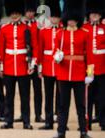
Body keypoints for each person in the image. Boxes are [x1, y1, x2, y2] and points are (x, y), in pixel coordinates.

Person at [51, 0, 93, 138]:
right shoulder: (59, 34)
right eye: (69, 19)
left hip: (79, 74)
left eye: (74, 20)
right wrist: (57, 56)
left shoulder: (84, 34)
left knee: (81, 105)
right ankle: (61, 131)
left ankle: (83, 131)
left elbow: (89, 56)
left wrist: (90, 74)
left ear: (78, 20)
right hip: (63, 73)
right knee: (63, 105)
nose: (71, 22)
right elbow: (55, 52)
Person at [0, 0, 37, 130]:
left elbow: (33, 47)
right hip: (9, 66)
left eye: (17, 13)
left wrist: (32, 63)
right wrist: (2, 66)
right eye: (12, 13)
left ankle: (26, 121)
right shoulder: (4, 28)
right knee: (9, 96)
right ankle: (8, 121)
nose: (14, 16)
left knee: (25, 96)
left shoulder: (27, 28)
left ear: (20, 14)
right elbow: (1, 48)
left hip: (23, 66)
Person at [38, 0, 62, 130]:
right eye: (52, 17)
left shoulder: (63, 31)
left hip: (60, 68)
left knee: (60, 96)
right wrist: (40, 67)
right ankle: (48, 121)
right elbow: (40, 50)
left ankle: (60, 121)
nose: (54, 19)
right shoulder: (43, 31)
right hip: (47, 67)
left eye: (56, 17)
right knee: (48, 96)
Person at [83, 0, 105, 131]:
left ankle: (103, 121)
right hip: (89, 68)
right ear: (89, 14)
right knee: (89, 97)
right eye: (92, 14)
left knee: (103, 97)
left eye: (97, 13)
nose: (95, 15)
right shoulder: (85, 28)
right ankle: (87, 123)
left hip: (103, 67)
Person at [23, 0, 43, 123]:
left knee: (37, 91)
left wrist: (37, 61)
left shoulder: (38, 25)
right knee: (24, 91)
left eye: (31, 11)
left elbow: (40, 45)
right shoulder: (21, 25)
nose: (30, 14)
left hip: (36, 62)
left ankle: (38, 114)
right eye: (28, 11)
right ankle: (24, 115)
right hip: (24, 62)